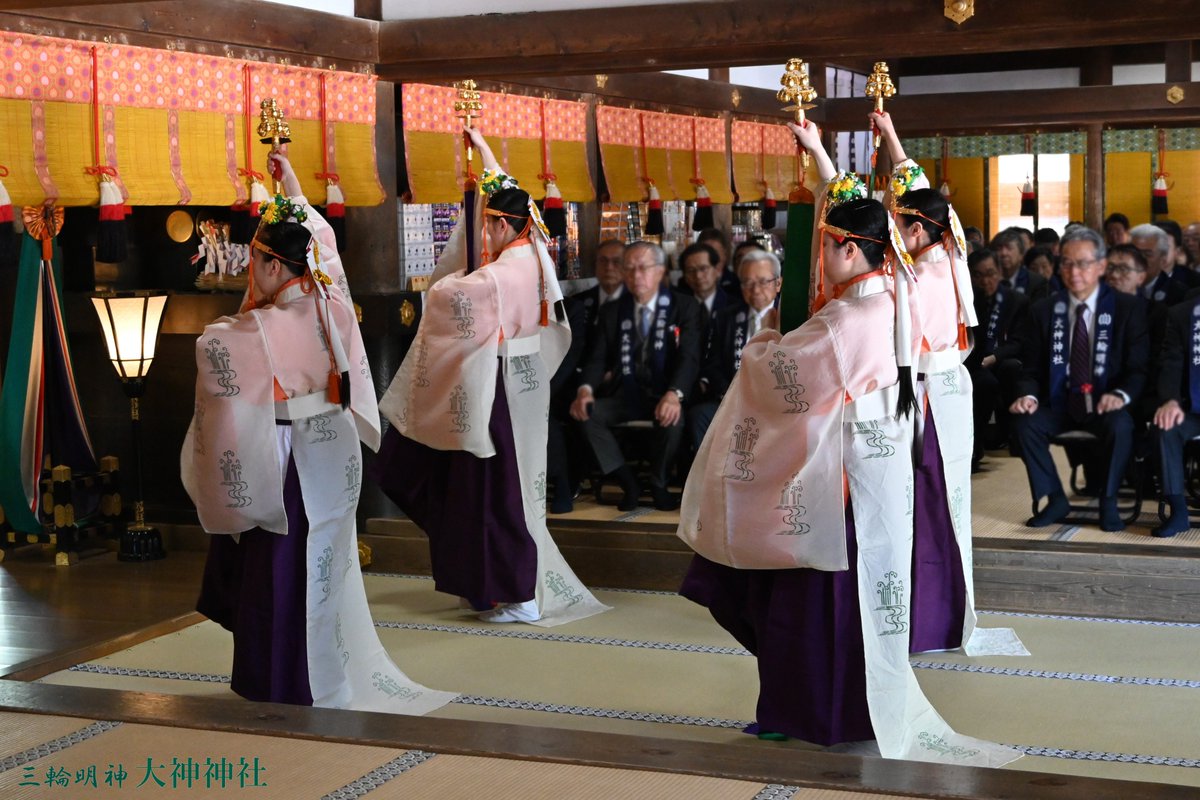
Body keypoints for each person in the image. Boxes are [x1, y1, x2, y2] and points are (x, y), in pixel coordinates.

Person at [677, 119, 1019, 767]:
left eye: (824, 246)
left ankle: (815, 712)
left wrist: (761, 341)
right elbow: (861, 216)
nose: (815, 260)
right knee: (853, 597)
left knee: (813, 600)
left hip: (839, 481)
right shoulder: (898, 289)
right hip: (876, 469)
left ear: (845, 248)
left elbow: (781, 377)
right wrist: (821, 159)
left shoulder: (851, 315)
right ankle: (830, 708)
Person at [185, 151, 455, 714]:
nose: (249, 270)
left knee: (278, 572)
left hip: (281, 457)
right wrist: (291, 192)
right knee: (325, 566)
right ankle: (322, 677)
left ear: (276, 267)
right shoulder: (330, 298)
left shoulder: (254, 328)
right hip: (331, 451)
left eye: (256, 259)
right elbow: (322, 244)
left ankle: (282, 683)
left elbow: (215, 351)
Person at [372, 129, 607, 626]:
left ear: (501, 225)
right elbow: (505, 192)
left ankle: (517, 590)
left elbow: (447, 298)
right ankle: (486, 583)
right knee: (486, 489)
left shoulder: (502, 274)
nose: (480, 234)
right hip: (516, 378)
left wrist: (454, 277)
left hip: (496, 385)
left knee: (496, 492)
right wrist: (482, 155)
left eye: (485, 225)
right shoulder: (534, 252)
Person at [873, 111, 1022, 657]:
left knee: (924, 506)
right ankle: (936, 615)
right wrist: (890, 135)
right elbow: (919, 193)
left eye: (896, 225)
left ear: (915, 230)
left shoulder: (917, 278)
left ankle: (929, 618)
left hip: (926, 398)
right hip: (948, 392)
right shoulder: (949, 250)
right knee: (944, 505)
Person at [1009, 227, 1149, 532]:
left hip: (1104, 404)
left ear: (1101, 266)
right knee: (1024, 423)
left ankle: (1108, 500)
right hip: (1060, 403)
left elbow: (1138, 368)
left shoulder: (1128, 308)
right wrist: (1028, 396)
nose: (1074, 271)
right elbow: (1030, 369)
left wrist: (1121, 395)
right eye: (1068, 263)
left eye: (1083, 263)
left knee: (1121, 425)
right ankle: (1055, 497)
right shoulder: (1044, 310)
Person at [570, 241, 703, 511]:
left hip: (665, 393)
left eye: (642, 268)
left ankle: (659, 483)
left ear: (660, 271)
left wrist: (674, 394)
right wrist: (585, 389)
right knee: (587, 413)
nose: (635, 276)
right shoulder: (613, 311)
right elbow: (597, 358)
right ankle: (626, 480)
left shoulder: (684, 307)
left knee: (674, 420)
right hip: (626, 394)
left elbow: (689, 357)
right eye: (628, 269)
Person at [546, 240, 626, 514]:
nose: (609, 267)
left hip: (617, 385)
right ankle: (562, 480)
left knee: (580, 411)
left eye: (617, 261)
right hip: (576, 380)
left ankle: (571, 479)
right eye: (603, 261)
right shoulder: (582, 302)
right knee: (557, 407)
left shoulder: (635, 303)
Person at [687, 249, 782, 453]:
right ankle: (712, 479)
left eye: (763, 281)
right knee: (699, 415)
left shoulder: (790, 317)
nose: (755, 290)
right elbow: (712, 364)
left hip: (775, 403)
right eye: (747, 283)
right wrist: (727, 393)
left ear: (778, 283)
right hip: (731, 399)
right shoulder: (726, 317)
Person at [966, 248, 1029, 469]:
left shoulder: (1016, 301)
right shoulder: (967, 301)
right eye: (978, 275)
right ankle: (974, 446)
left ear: (1000, 273)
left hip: (1000, 359)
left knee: (1009, 369)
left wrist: (993, 357)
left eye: (991, 273)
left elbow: (1019, 342)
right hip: (971, 361)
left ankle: (1008, 435)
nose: (986, 280)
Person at [1151, 291, 1200, 537]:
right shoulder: (1182, 314)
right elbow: (1171, 363)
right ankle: (1178, 511)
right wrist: (1170, 400)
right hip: (1192, 408)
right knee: (1165, 426)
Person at [678, 241, 736, 326]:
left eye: (703, 268)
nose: (698, 276)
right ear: (685, 277)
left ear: (717, 270)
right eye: (691, 270)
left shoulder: (733, 307)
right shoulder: (679, 307)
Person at [1131, 223, 1187, 304]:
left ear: (1163, 259)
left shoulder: (1179, 294)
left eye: (1147, 254)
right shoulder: (1116, 286)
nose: (1139, 259)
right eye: (1135, 253)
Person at [992, 228, 1047, 298]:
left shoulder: (1036, 282)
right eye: (999, 249)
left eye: (1009, 248)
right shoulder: (987, 280)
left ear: (1021, 254)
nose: (1003, 253)